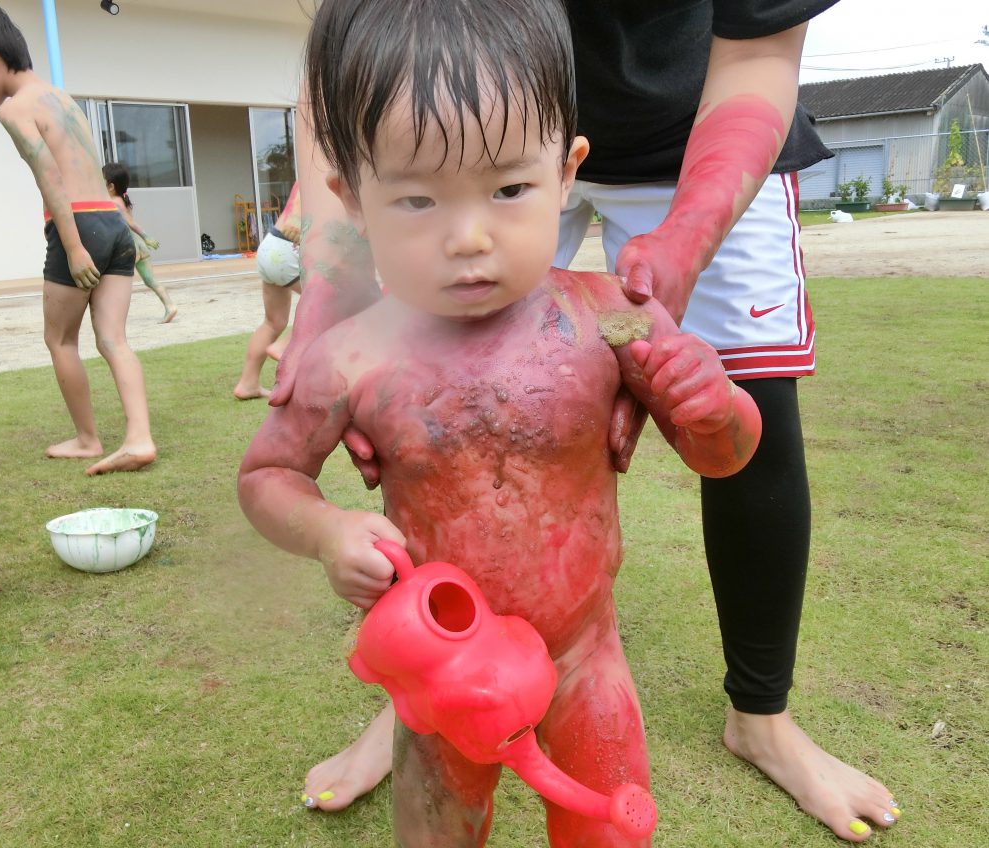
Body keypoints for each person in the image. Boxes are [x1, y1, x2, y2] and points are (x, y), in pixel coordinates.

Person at [276, 0, 901, 842]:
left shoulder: (611, 319)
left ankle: (763, 717)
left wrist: (711, 404)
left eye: (508, 194)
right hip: (443, 660)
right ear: (355, 197)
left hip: (584, 662)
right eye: (418, 201)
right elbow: (266, 473)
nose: (469, 238)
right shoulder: (353, 358)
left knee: (609, 826)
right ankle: (400, 709)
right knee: (438, 826)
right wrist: (320, 529)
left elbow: (723, 455)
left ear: (565, 173)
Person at [0, 0, 156, 476]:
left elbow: (51, 180)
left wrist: (76, 247)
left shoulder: (14, 110)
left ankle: (87, 439)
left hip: (78, 225)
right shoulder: (61, 97)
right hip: (112, 221)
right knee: (113, 338)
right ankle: (139, 437)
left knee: (59, 339)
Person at [233, 184, 302, 400]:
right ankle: (282, 346)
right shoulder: (332, 162)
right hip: (290, 246)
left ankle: (248, 383)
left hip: (271, 243)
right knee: (331, 302)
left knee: (273, 322)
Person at [102, 162, 179, 324]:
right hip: (139, 247)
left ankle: (112, 316)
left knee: (113, 281)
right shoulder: (123, 200)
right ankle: (169, 306)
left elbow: (130, 223)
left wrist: (146, 236)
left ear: (110, 186)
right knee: (150, 280)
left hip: (129, 247)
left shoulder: (114, 202)